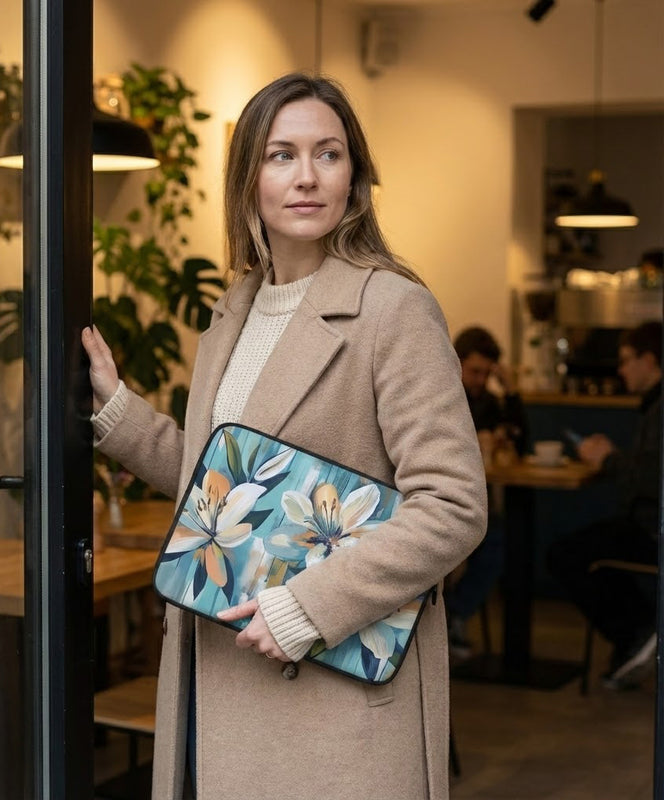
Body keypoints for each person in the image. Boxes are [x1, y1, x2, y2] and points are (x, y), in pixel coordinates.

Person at [82, 73, 486, 800]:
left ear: (355, 179)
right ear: (248, 182)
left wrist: (310, 605)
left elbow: (453, 505)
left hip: (327, 700)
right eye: (281, 156)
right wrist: (117, 412)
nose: (306, 177)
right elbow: (231, 491)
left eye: (328, 154)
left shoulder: (392, 308)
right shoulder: (233, 310)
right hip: (217, 681)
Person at [548, 320, 662, 690]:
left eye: (628, 360)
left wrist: (609, 461)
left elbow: (654, 477)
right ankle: (636, 636)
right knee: (582, 550)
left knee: (564, 554)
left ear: (649, 360)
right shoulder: (654, 404)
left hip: (651, 528)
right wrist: (613, 455)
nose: (620, 369)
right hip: (644, 523)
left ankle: (637, 633)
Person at [446, 327, 527, 657]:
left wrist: (511, 392)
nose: (479, 380)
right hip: (443, 501)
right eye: (474, 371)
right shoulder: (445, 397)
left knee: (498, 538)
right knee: (493, 537)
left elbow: (522, 445)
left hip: (474, 502)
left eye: (486, 373)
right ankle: (450, 617)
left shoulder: (491, 404)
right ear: (458, 363)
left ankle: (453, 614)